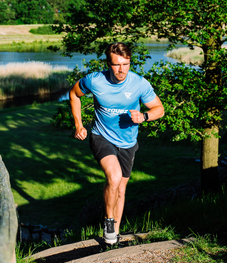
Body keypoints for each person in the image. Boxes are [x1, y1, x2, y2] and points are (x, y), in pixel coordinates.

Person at [69, 42, 164, 244]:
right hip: (101, 136)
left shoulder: (139, 84)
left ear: (130, 62)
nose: (121, 70)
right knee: (114, 177)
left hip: (128, 142)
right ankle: (108, 222)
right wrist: (78, 124)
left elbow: (159, 108)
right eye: (116, 65)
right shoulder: (95, 80)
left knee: (121, 188)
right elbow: (74, 94)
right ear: (108, 63)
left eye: (126, 64)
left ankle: (114, 236)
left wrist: (145, 116)